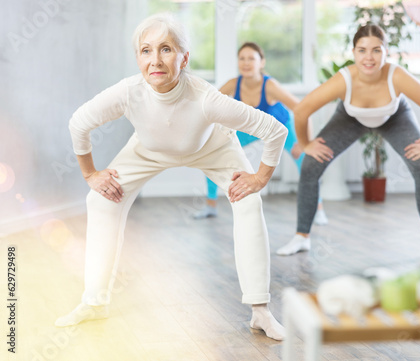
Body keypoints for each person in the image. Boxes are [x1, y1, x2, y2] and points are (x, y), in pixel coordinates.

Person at [56, 13, 287, 341]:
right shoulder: (129, 92)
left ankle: (260, 312)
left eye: (166, 49)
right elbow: (79, 123)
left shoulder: (207, 99)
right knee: (99, 199)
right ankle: (94, 302)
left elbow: (274, 130)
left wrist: (259, 178)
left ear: (184, 57)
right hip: (147, 150)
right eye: (146, 50)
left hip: (212, 147)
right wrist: (90, 174)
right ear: (138, 58)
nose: (155, 60)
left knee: (249, 201)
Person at [276, 24, 420, 260]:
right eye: (362, 50)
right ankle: (301, 237)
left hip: (394, 117)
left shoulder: (396, 76)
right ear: (353, 53)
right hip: (350, 118)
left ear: (385, 52)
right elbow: (301, 111)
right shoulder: (344, 80)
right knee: (310, 164)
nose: (369, 57)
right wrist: (307, 144)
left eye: (376, 50)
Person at [192, 42, 329, 226]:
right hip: (252, 129)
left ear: (261, 62)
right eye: (242, 58)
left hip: (282, 128)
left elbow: (302, 109)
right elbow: (208, 104)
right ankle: (210, 205)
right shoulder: (234, 83)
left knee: (306, 162)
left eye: (251, 59)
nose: (246, 63)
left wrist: (305, 143)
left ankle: (317, 209)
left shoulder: (270, 85)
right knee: (213, 153)